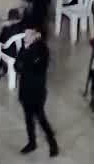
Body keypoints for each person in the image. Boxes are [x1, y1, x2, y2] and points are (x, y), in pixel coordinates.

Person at [8, 25, 59, 156]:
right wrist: (23, 59)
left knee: (40, 118)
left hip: (37, 90)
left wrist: (23, 62)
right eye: (25, 35)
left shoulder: (41, 50)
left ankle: (52, 142)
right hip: (25, 89)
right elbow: (17, 66)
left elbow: (31, 68)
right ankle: (32, 142)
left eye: (28, 35)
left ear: (37, 35)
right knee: (28, 118)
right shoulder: (25, 47)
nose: (25, 37)